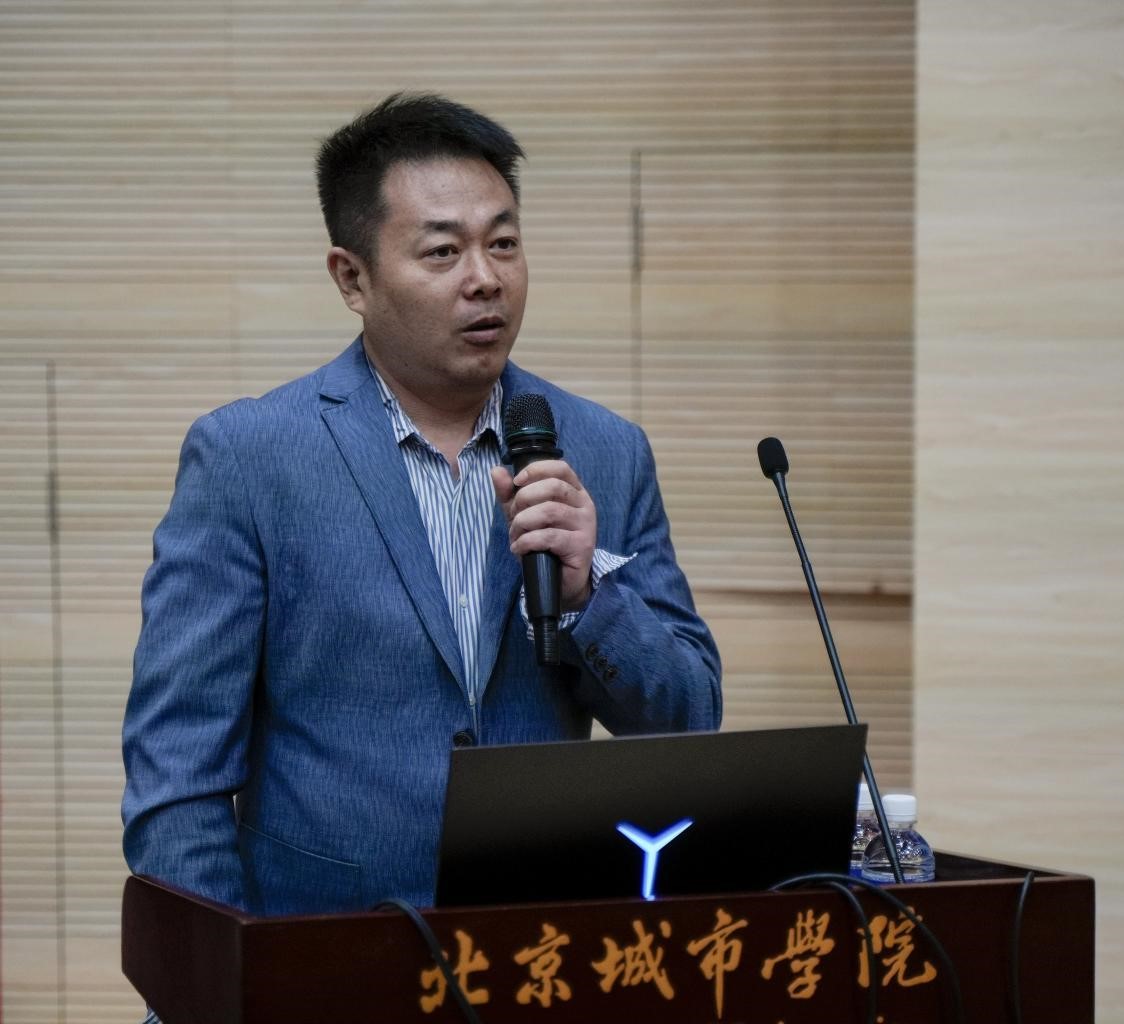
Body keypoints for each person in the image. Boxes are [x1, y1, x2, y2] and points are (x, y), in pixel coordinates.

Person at [120, 93, 722, 918]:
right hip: (327, 946)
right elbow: (178, 770)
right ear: (352, 278)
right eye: (442, 251)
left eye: (503, 243)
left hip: (540, 941)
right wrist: (225, 969)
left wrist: (589, 597)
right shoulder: (251, 457)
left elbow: (688, 720)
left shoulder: (604, 449)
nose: (485, 279)